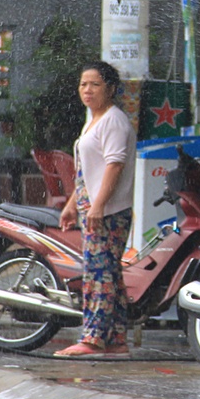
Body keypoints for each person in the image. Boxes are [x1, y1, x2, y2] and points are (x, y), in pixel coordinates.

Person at [56, 61, 136, 357]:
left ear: (111, 89)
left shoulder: (114, 121)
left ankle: (92, 340)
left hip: (109, 211)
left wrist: (98, 206)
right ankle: (116, 339)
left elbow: (113, 167)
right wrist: (72, 205)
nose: (87, 90)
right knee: (109, 274)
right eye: (83, 84)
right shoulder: (93, 119)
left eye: (95, 84)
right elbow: (88, 170)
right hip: (92, 207)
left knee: (98, 275)